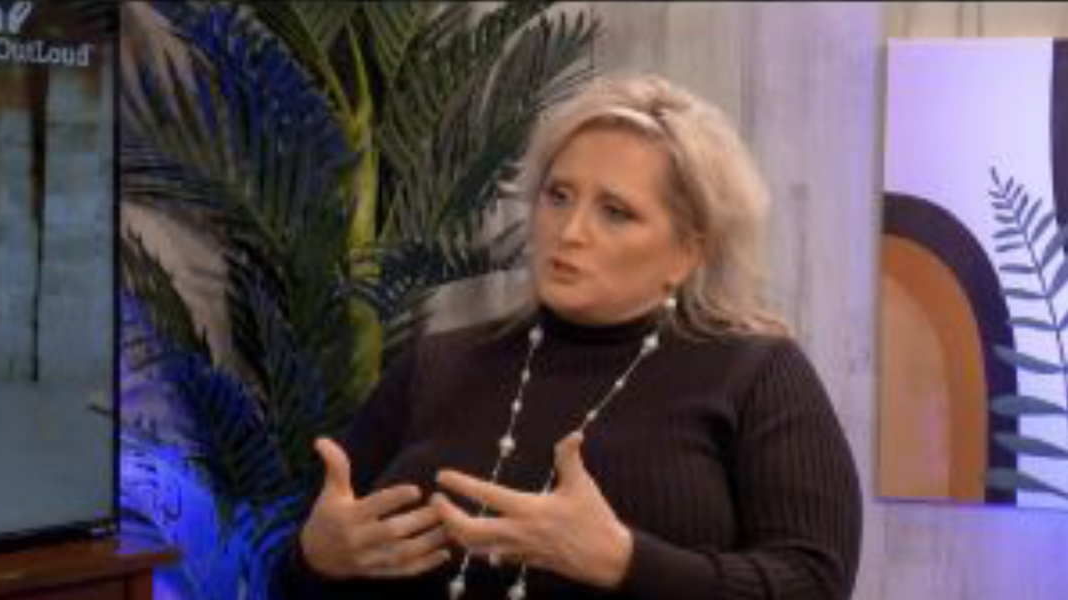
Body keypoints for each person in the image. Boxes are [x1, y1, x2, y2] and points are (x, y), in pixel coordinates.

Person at [276, 74, 862, 600]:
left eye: (615, 211)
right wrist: (315, 559)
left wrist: (625, 562)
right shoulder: (439, 362)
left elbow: (813, 582)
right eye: (558, 196)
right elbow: (296, 574)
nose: (570, 231)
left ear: (688, 252)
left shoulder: (756, 373)